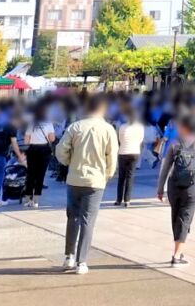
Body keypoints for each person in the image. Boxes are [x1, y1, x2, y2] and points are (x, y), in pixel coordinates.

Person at [54, 95, 118, 275]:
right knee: (88, 221)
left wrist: (68, 162)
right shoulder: (108, 129)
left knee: (72, 217)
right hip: (96, 180)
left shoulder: (75, 127)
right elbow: (111, 157)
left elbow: (60, 150)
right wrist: (107, 175)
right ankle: (82, 261)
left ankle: (69, 256)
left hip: (75, 178)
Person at [156, 114, 195, 267]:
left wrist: (160, 188)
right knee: (185, 218)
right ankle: (176, 255)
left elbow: (166, 168)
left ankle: (179, 250)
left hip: (174, 185)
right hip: (191, 186)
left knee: (176, 218)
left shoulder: (175, 143)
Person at [22, 111, 56, 208]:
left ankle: (28, 200)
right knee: (40, 175)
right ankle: (36, 201)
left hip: (32, 149)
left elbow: (26, 141)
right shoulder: (48, 123)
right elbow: (52, 138)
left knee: (30, 175)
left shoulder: (31, 124)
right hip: (44, 150)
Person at [115, 106, 145, 207]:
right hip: (134, 152)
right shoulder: (140, 127)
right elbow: (141, 139)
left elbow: (120, 139)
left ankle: (118, 199)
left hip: (123, 152)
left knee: (121, 177)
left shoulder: (122, 126)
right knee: (130, 177)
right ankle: (127, 200)